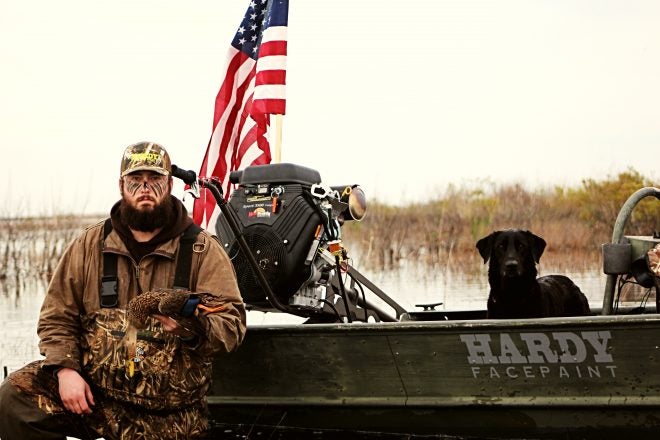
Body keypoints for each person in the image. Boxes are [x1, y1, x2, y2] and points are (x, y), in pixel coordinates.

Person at [0, 142, 246, 439]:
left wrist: (191, 328)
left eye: (155, 179)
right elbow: (57, 319)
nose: (145, 188)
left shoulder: (203, 249)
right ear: (121, 186)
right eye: (135, 180)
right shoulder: (88, 245)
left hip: (169, 412)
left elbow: (232, 325)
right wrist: (66, 370)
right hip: (98, 397)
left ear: (169, 184)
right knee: (15, 399)